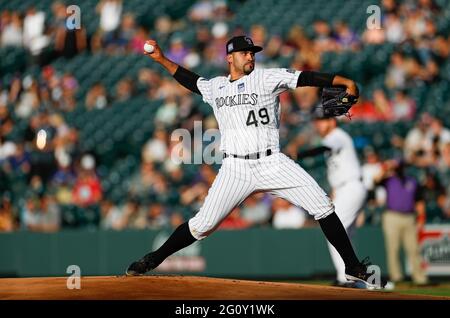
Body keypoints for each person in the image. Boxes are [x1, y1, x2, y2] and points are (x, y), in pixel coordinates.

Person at [126, 35, 386, 289]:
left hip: (272, 162)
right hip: (235, 168)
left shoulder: (266, 77)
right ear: (230, 58)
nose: (250, 56)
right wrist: (161, 59)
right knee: (201, 225)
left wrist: (343, 80)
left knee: (323, 205)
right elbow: (191, 80)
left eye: (252, 52)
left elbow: (305, 77)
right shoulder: (216, 86)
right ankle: (153, 258)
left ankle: (352, 266)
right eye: (244, 53)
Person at [296, 109, 367, 287]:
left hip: (351, 186)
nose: (319, 124)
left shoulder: (337, 135)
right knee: (345, 236)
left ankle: (345, 278)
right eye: (317, 121)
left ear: (332, 122)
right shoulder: (332, 137)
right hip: (344, 189)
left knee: (335, 230)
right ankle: (361, 281)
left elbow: (323, 148)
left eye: (323, 120)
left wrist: (299, 155)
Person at [375, 159, 428, 285]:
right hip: (392, 216)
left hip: (410, 217)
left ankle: (419, 277)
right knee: (393, 248)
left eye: (401, 167)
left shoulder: (413, 181)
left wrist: (421, 218)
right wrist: (386, 166)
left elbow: (419, 201)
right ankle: (396, 276)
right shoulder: (389, 179)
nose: (400, 169)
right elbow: (376, 180)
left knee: (413, 248)